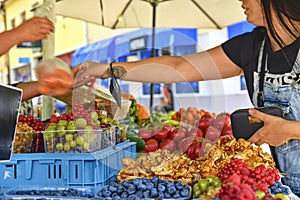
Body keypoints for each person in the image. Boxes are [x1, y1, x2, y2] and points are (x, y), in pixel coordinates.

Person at [72, 0, 300, 194]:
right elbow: (179, 67)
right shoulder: (252, 47)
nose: (241, 0)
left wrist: (289, 130)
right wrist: (107, 69)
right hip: (288, 187)